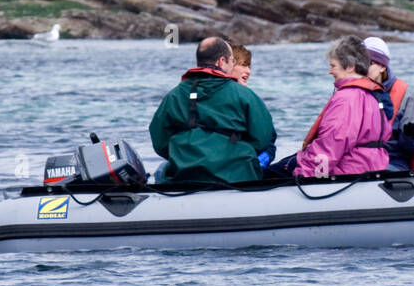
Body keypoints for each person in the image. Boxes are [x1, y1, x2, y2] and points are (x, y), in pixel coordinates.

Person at [149, 37, 277, 184]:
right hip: (238, 177)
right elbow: (263, 139)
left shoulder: (173, 96)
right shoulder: (245, 95)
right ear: (221, 61)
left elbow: (159, 141)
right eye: (232, 61)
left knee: (160, 171)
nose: (232, 65)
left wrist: (183, 156)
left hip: (183, 177)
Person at [267, 36, 390, 179]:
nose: (330, 71)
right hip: (370, 167)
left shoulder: (347, 98)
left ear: (350, 67)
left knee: (266, 175)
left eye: (333, 66)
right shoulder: (374, 95)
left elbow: (331, 144)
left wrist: (306, 176)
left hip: (345, 171)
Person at [363, 36, 414, 171]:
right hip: (357, 159)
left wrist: (411, 135)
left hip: (392, 160)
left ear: (382, 67)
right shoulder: (350, 91)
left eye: (369, 63)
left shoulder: (406, 95)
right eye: (360, 63)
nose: (363, 68)